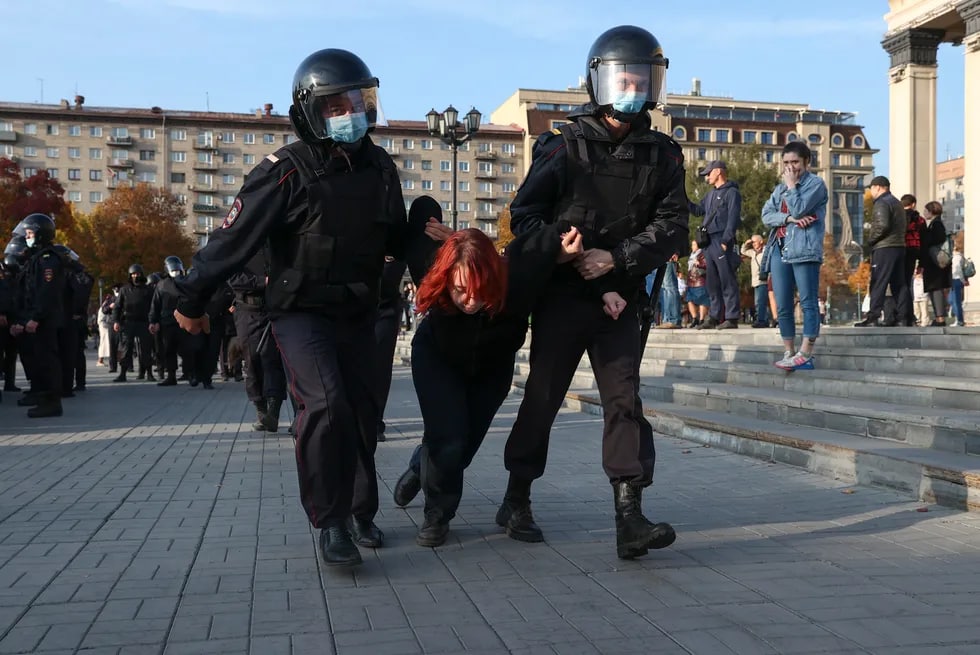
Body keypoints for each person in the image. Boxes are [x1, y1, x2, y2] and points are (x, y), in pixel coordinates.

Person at [172, 48, 438, 567]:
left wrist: (433, 243)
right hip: (299, 312)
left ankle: (362, 510)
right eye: (337, 105)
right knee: (325, 406)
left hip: (360, 311)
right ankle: (330, 520)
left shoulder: (380, 167)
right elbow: (231, 239)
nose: (352, 114)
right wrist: (191, 297)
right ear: (310, 111)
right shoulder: (284, 171)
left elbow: (394, 237)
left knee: (363, 414)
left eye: (360, 102)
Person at [494, 25, 686, 560]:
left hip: (620, 296)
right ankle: (517, 496)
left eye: (643, 78)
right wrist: (561, 245)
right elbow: (524, 215)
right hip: (562, 295)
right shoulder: (563, 147)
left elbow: (674, 226)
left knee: (624, 399)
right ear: (598, 81)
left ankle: (630, 516)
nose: (633, 87)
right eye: (623, 77)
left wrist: (619, 261)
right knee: (544, 398)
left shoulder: (663, 155)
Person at [392, 226, 569, 546]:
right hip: (437, 360)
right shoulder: (434, 268)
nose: (470, 300)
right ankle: (438, 515)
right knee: (447, 438)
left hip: (491, 369)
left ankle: (421, 464)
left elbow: (544, 237)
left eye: (479, 290)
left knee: (462, 448)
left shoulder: (517, 278)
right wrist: (450, 236)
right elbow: (415, 221)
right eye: (460, 289)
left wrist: (567, 248)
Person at [761, 141, 828, 371]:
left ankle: (806, 351)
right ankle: (789, 349)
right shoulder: (779, 189)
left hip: (804, 250)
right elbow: (766, 215)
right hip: (780, 248)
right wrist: (788, 219)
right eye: (787, 163)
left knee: (808, 302)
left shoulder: (815, 185)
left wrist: (791, 188)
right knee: (783, 304)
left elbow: (800, 208)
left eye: (795, 162)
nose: (791, 167)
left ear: (806, 162)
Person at [9, 214, 66, 417]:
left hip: (45, 320)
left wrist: (36, 317)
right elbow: (28, 293)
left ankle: (52, 402)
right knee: (39, 361)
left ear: (41, 234)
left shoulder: (48, 259)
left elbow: (46, 292)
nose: (27, 237)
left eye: (31, 233)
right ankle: (43, 399)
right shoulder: (37, 258)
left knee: (48, 361)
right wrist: (23, 320)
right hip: (37, 319)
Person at [228, 250, 286, 429]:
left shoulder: (275, 244)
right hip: (248, 312)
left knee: (273, 360)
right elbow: (234, 279)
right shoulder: (241, 248)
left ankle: (273, 411)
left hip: (274, 310)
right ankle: (261, 409)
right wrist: (264, 282)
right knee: (252, 360)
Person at [689, 160, 742, 329]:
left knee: (726, 278)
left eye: (708, 173)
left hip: (721, 240)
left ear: (718, 172)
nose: (707, 177)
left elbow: (733, 218)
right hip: (708, 241)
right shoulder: (710, 194)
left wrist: (726, 241)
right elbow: (698, 210)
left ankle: (732, 317)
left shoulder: (732, 193)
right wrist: (681, 198)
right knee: (711, 281)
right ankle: (714, 316)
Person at [854, 176, 910, 327]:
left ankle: (873, 317)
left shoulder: (882, 202)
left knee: (878, 281)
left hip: (884, 247)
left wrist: (871, 240)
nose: (870, 192)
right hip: (899, 246)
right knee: (899, 284)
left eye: (871, 188)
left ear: (878, 187)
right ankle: (903, 318)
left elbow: (882, 225)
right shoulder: (897, 202)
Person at [112, 264, 155, 381]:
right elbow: (117, 307)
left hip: (144, 322)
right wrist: (116, 321)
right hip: (128, 322)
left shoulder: (149, 290)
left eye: (138, 274)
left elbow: (154, 306)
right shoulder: (124, 290)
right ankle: (123, 373)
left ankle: (149, 373)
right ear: (130, 276)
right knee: (126, 349)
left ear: (142, 274)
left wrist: (154, 321)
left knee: (146, 349)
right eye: (133, 274)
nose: (136, 276)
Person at [920, 200, 951, 326]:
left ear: (931, 211)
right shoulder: (934, 223)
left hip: (935, 263)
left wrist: (926, 238)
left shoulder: (936, 224)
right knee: (933, 289)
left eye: (926, 210)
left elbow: (938, 238)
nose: (924, 213)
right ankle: (938, 317)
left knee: (935, 288)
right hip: (934, 262)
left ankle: (940, 318)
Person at [901, 194, 925, 326]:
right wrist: (922, 262)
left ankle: (899, 314)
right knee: (907, 283)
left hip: (899, 251)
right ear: (913, 204)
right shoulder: (919, 220)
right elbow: (924, 241)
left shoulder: (898, 218)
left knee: (898, 283)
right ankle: (909, 315)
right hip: (913, 251)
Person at [741, 234, 769, 328]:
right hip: (755, 281)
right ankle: (761, 319)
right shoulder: (753, 252)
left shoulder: (766, 251)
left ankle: (762, 320)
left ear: (760, 241)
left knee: (760, 301)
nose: (753, 244)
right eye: (752, 242)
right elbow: (743, 251)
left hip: (763, 280)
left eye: (754, 242)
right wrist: (746, 243)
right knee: (758, 302)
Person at [685, 239, 709, 328]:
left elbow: (706, 265)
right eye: (692, 245)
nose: (692, 247)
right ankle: (695, 318)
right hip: (691, 280)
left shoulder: (702, 254)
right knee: (689, 300)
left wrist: (699, 264)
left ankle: (702, 319)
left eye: (694, 245)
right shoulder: (692, 255)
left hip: (700, 280)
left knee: (702, 300)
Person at [950, 231, 968, 327]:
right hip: (955, 279)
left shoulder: (957, 255)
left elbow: (957, 270)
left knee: (955, 301)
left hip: (956, 279)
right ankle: (959, 319)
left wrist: (963, 280)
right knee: (952, 300)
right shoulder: (959, 254)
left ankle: (960, 320)